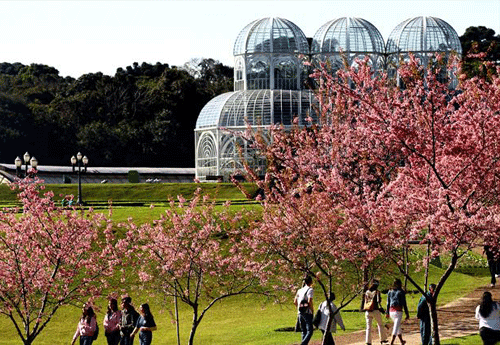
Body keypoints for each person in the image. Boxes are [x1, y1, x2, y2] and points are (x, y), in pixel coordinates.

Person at [362, 280, 388, 345]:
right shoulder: (376, 292)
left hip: (368, 311)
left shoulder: (367, 292)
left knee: (368, 327)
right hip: (375, 310)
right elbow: (378, 301)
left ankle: (368, 341)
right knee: (380, 324)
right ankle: (383, 339)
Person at [386, 278, 409, 345]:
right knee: (396, 327)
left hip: (391, 310)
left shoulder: (390, 291)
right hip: (398, 311)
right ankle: (391, 342)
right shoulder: (401, 292)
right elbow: (404, 303)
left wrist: (387, 312)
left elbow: (388, 303)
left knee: (397, 326)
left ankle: (401, 341)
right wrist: (407, 313)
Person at [294, 276, 314, 345]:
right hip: (307, 312)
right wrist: (312, 310)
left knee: (303, 331)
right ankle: (303, 344)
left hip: (300, 312)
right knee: (310, 331)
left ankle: (304, 343)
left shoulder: (299, 290)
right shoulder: (310, 290)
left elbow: (295, 301)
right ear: (311, 282)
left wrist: (299, 308)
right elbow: (309, 301)